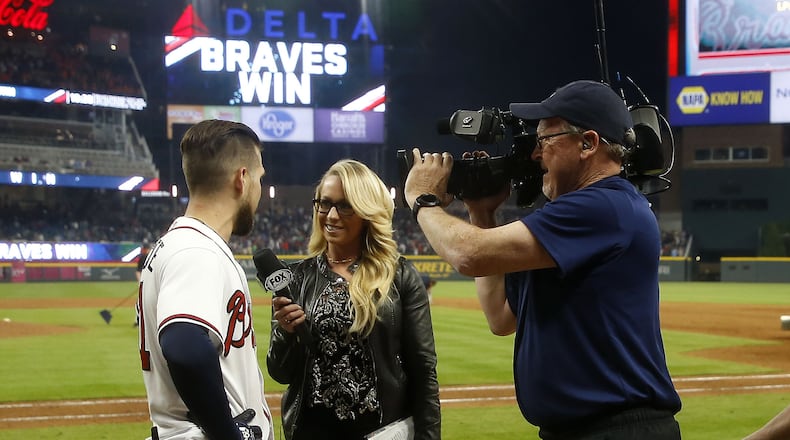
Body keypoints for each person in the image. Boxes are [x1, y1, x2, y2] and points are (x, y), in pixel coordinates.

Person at [403, 80, 682, 439]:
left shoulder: (606, 205)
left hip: (616, 429)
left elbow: (469, 255)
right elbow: (501, 318)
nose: (535, 155)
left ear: (588, 143)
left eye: (545, 140)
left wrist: (422, 199)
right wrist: (481, 213)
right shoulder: (567, 220)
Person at [267, 159, 440, 440]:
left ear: (366, 211)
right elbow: (281, 372)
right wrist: (286, 334)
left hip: (382, 431)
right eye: (324, 203)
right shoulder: (295, 277)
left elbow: (423, 370)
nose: (331, 215)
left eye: (345, 205)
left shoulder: (399, 275)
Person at [137, 119, 273, 440]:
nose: (259, 190)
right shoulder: (196, 250)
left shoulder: (181, 242)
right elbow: (185, 348)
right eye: (259, 177)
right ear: (242, 178)